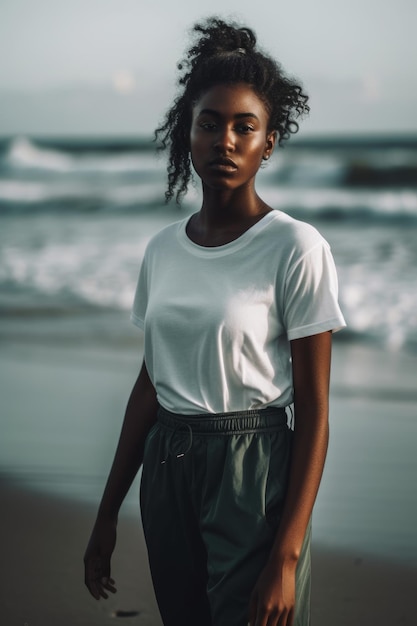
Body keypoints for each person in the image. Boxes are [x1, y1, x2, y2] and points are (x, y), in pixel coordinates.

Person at [84, 17, 346, 626]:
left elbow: (315, 411)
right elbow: (151, 384)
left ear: (269, 143)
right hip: (167, 468)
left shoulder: (296, 248)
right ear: (189, 132)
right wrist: (105, 514)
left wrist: (286, 552)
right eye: (209, 123)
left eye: (243, 127)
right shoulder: (162, 250)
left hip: (251, 468)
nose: (224, 140)